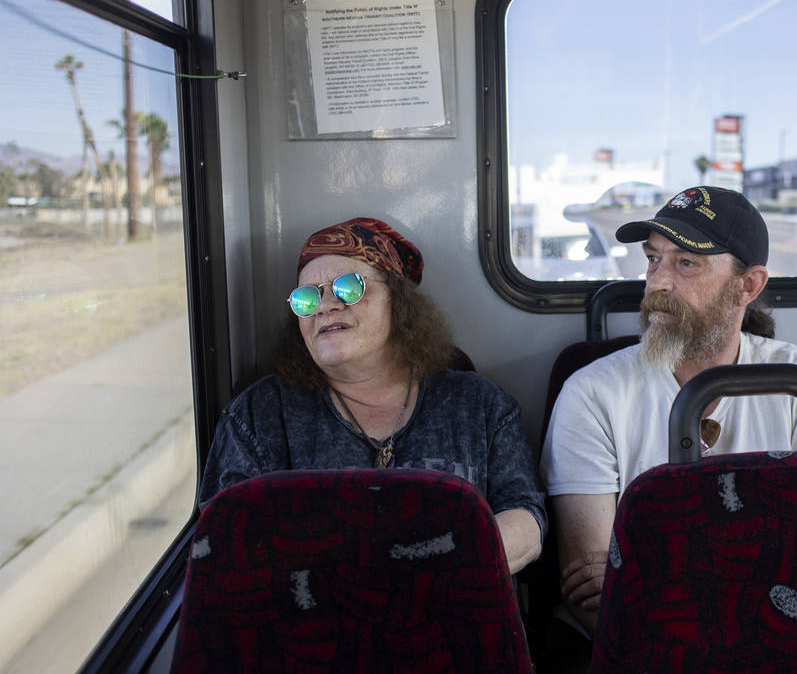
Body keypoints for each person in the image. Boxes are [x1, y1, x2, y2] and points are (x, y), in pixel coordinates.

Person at [541, 186, 797, 634]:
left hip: (774, 640)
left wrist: (654, 572)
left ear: (748, 286)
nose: (658, 283)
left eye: (686, 263)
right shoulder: (593, 393)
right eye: (653, 259)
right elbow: (592, 595)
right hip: (643, 646)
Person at [198, 217, 545, 574]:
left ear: (399, 302)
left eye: (348, 288)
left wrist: (431, 568)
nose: (325, 305)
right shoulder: (258, 415)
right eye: (306, 297)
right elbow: (223, 537)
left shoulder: (480, 405)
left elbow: (526, 521)